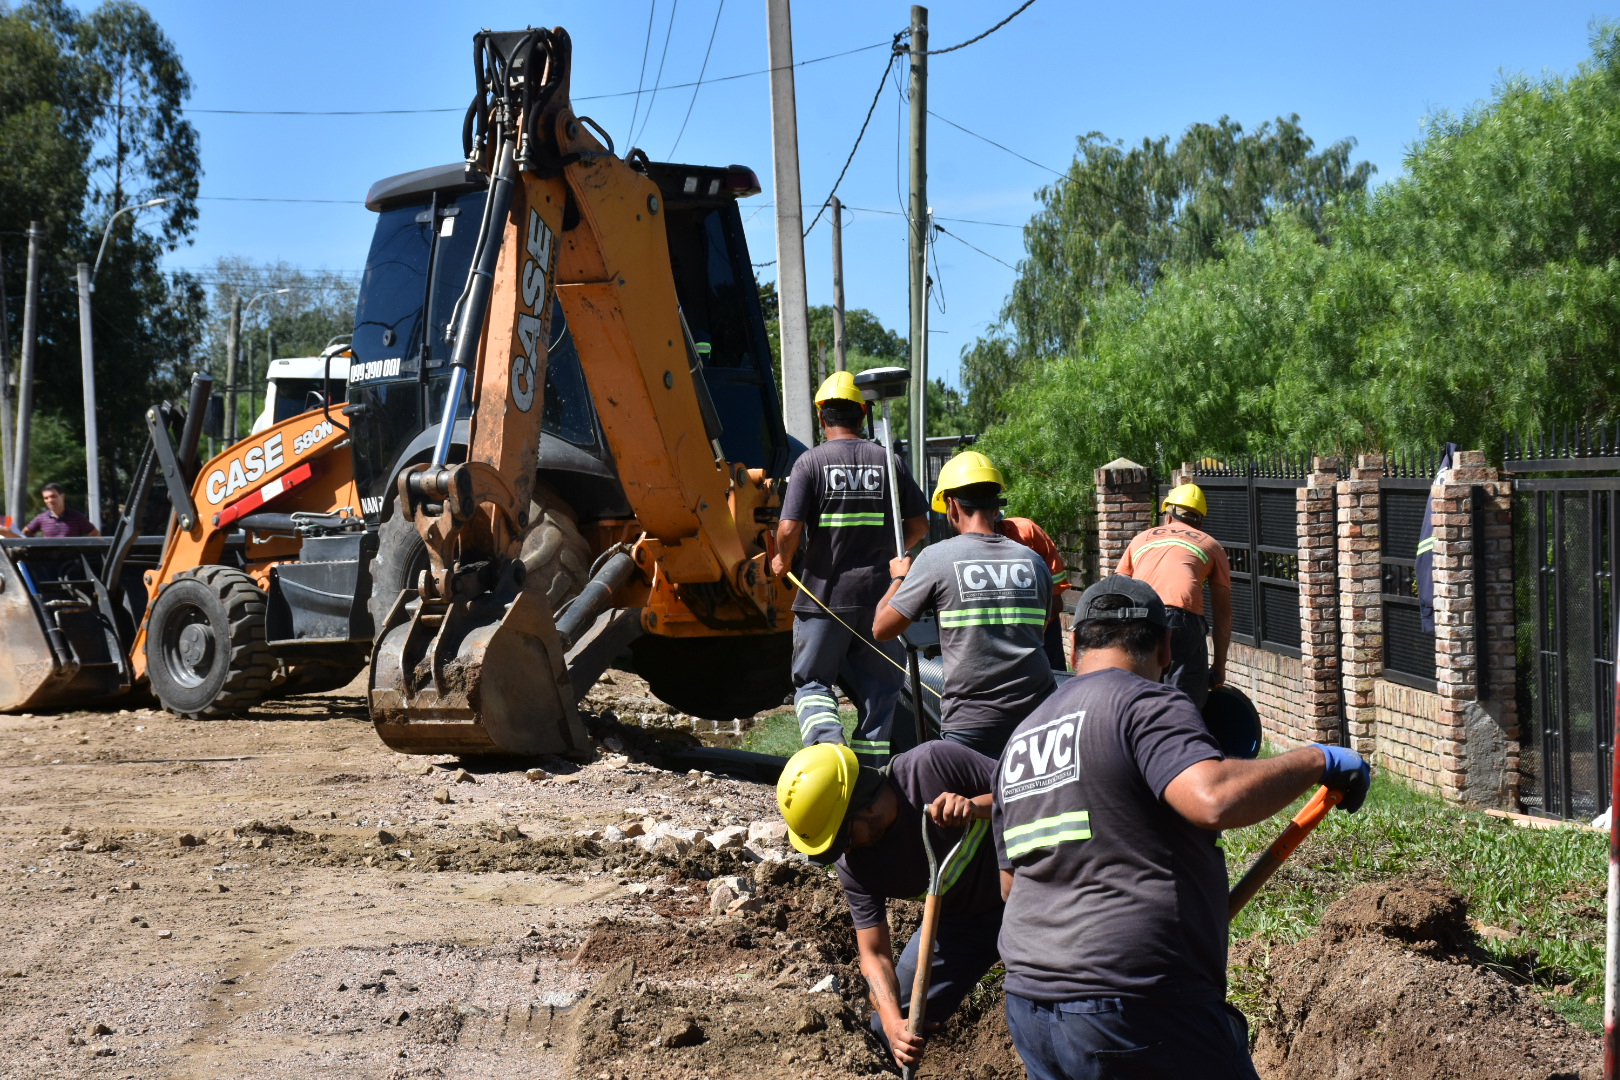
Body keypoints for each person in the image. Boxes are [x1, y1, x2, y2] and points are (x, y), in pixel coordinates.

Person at [992, 575, 1370, 1080]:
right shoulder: (1143, 702)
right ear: (1167, 646)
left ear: (1074, 644)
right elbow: (1213, 797)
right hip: (1139, 1008)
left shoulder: (1019, 742)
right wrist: (1317, 760)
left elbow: (1012, 886)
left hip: (1033, 1009)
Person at [777, 740, 1004, 1073]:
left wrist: (974, 806)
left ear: (863, 803)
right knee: (886, 1028)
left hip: (1027, 893)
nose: (847, 852)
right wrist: (893, 1022)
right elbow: (874, 954)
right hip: (960, 927)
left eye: (846, 839)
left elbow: (1030, 792)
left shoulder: (933, 765)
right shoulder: (852, 863)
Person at [772, 371, 929, 766]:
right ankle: (872, 776)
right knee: (880, 689)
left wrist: (782, 560)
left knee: (812, 682)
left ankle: (829, 755)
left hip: (822, 598)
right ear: (862, 415)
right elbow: (920, 525)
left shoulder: (810, 463)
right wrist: (892, 554)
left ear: (822, 416)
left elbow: (789, 527)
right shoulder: (888, 461)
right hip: (881, 600)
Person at [875, 451, 1056, 758]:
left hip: (972, 723)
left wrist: (899, 578)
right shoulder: (1034, 561)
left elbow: (882, 627)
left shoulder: (936, 558)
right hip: (1039, 715)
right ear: (997, 506)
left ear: (952, 505)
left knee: (963, 803)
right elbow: (1041, 625)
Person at [1117, 482, 1230, 709]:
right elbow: (1222, 614)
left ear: (1168, 517)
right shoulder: (1211, 545)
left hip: (1138, 615)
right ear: (1200, 522)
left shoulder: (1141, 539)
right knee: (1183, 701)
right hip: (1181, 618)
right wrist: (1219, 666)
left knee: (1139, 693)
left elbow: (1117, 588)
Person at [997, 514, 1070, 670]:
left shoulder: (1025, 530)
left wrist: (1054, 595)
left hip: (1044, 622)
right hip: (1006, 627)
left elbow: (1052, 563)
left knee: (1054, 672)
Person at [22, 483, 98, 538]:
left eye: (53, 496)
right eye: (46, 498)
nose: (50, 500)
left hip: (72, 558)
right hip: (48, 558)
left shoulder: (77, 517)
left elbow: (95, 534)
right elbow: (26, 533)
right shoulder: (41, 518)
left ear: (62, 496)